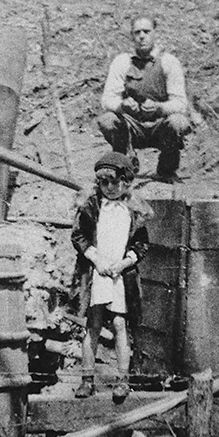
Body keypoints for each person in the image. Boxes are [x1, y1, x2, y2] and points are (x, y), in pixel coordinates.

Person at [70, 152, 152, 402]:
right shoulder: (92, 206)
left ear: (126, 182)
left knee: (119, 325)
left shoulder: (133, 210)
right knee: (92, 326)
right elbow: (79, 236)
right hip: (97, 273)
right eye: (103, 183)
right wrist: (97, 259)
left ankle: (122, 380)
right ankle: (87, 380)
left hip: (119, 276)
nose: (109, 188)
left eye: (114, 182)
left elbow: (141, 245)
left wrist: (124, 263)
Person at [99, 16, 191, 182]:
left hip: (160, 126)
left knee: (178, 121)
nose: (142, 36)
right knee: (108, 119)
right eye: (137, 32)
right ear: (132, 36)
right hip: (131, 127)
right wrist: (122, 106)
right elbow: (107, 99)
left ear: (155, 33)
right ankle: (124, 164)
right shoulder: (122, 62)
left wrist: (159, 108)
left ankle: (166, 169)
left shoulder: (169, 62)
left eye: (146, 31)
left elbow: (181, 103)